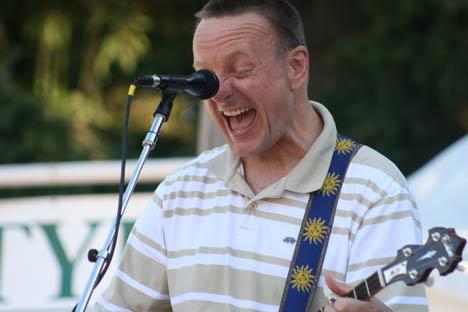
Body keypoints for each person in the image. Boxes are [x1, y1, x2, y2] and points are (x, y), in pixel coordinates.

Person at [96, 0, 428, 311]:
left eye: (240, 70)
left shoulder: (374, 193)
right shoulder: (180, 192)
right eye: (206, 78)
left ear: (296, 67)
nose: (220, 93)